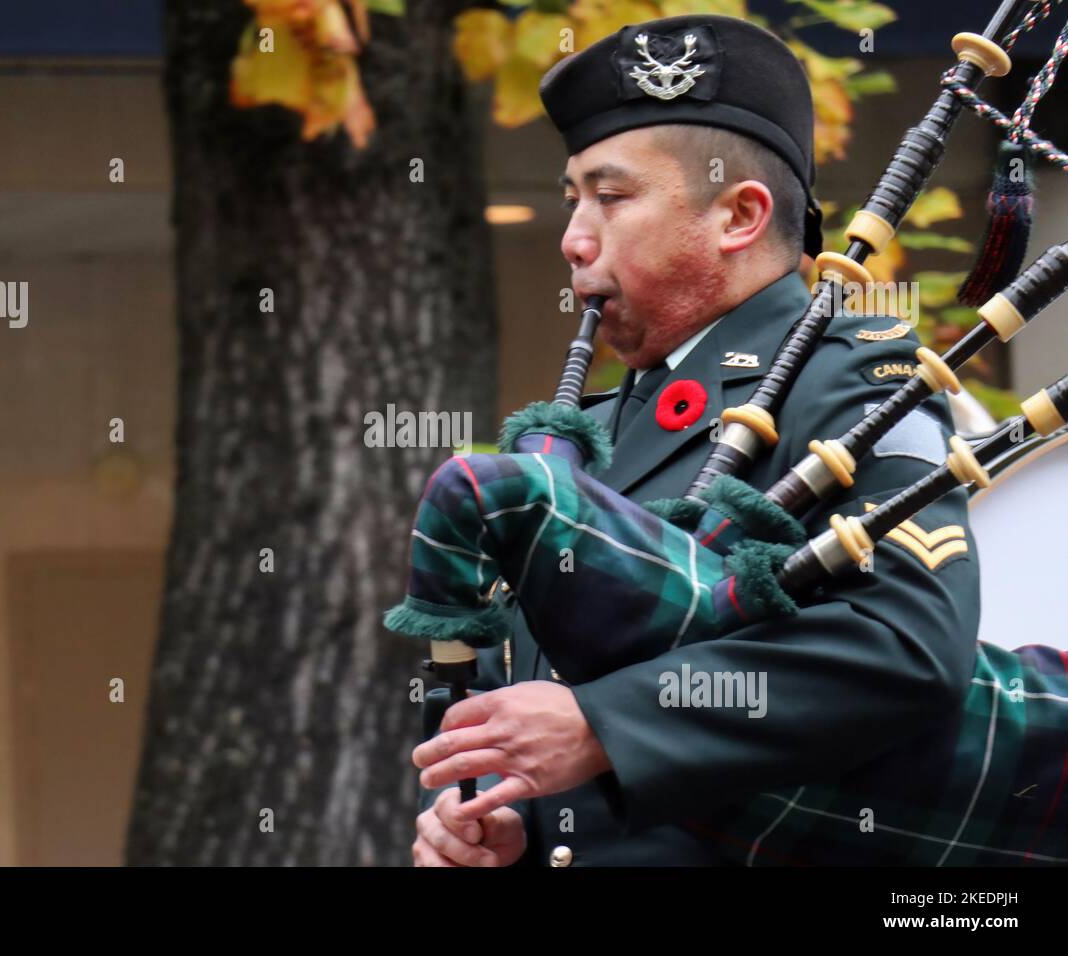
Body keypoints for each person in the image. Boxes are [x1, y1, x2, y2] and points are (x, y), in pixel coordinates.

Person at [411, 13, 980, 867]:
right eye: (574, 201)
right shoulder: (583, 439)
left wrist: (606, 729)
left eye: (611, 197)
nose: (573, 238)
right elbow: (521, 710)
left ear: (739, 215)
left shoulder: (855, 389)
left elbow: (907, 646)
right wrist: (492, 827)